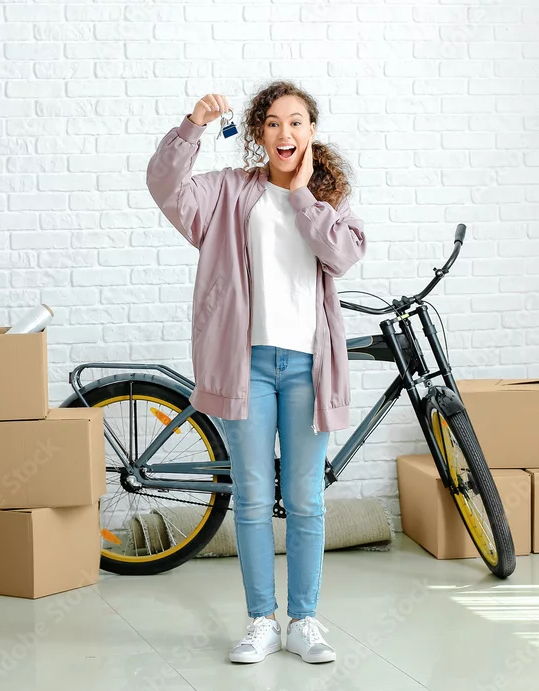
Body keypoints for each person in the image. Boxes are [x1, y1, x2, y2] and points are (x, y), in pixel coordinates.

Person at [146, 80, 367, 665]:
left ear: (311, 131)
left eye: (295, 122)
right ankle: (260, 621)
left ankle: (304, 621)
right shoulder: (228, 192)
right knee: (250, 498)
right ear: (257, 134)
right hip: (246, 365)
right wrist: (193, 125)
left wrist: (303, 197)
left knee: (306, 500)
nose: (284, 132)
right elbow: (164, 186)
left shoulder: (329, 199)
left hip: (308, 368)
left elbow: (343, 255)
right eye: (272, 123)